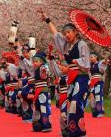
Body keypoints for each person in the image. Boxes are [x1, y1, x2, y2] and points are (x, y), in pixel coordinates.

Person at [38, 9, 90, 137]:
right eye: (65, 33)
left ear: (76, 32)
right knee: (69, 106)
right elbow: (56, 35)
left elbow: (86, 63)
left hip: (81, 78)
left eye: (69, 32)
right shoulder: (68, 46)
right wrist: (48, 20)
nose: (66, 35)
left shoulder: (82, 44)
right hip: (71, 79)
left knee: (75, 104)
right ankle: (73, 131)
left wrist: (73, 60)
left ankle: (79, 132)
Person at [32, 51, 52, 132]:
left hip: (43, 90)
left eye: (36, 61)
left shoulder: (43, 67)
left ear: (42, 61)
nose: (34, 63)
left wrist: (45, 66)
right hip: (37, 89)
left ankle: (46, 125)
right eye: (34, 62)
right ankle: (38, 125)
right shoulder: (36, 69)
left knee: (44, 107)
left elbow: (44, 76)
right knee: (38, 107)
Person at [89, 52, 107, 118]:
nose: (90, 58)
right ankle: (94, 112)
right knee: (92, 97)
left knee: (98, 96)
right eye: (90, 57)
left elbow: (104, 63)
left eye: (92, 57)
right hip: (92, 82)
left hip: (98, 82)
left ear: (96, 57)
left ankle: (100, 112)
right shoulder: (90, 65)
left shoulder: (99, 63)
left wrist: (105, 59)